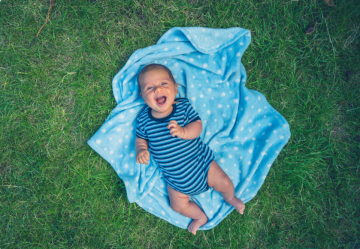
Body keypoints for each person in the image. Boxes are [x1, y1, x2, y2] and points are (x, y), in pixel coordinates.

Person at [135, 64, 245, 235]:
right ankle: (200, 217)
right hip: (176, 182)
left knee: (223, 181)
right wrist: (141, 149)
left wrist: (183, 131)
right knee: (177, 205)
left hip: (203, 166)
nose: (157, 89)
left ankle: (230, 198)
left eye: (164, 84)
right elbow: (140, 138)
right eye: (149, 88)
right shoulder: (143, 120)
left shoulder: (182, 107)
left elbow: (197, 126)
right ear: (142, 97)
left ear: (175, 88)